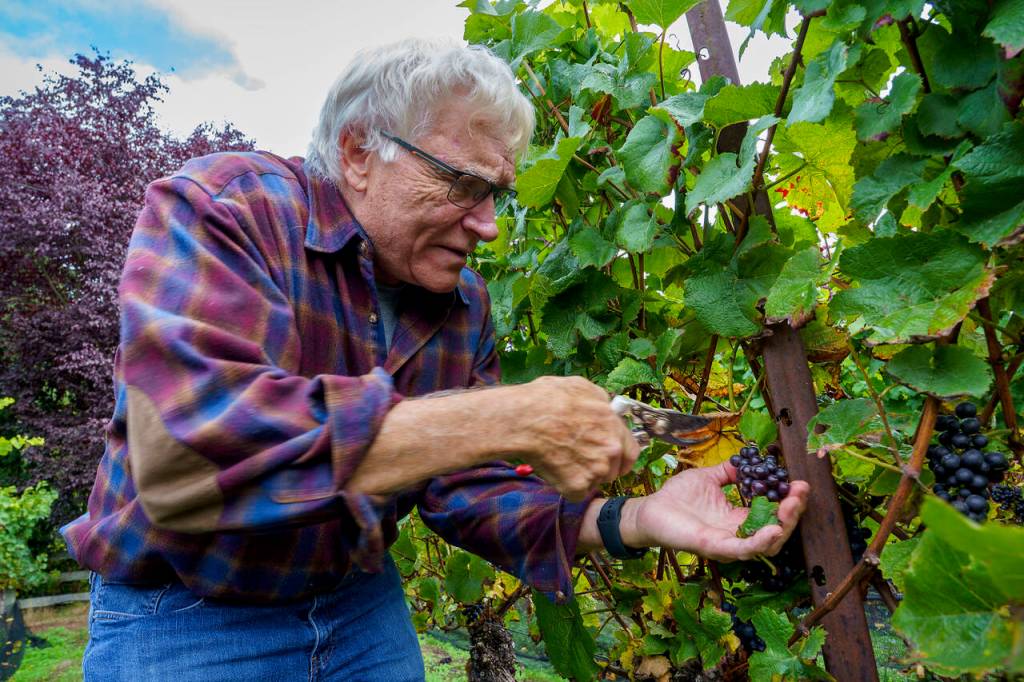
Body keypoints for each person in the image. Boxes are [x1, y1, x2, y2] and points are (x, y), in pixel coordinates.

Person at [62, 38, 808, 681]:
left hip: (360, 607)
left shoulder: (462, 302)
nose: (486, 225)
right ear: (359, 151)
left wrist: (636, 517)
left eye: (498, 196)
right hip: (187, 615)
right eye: (462, 185)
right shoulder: (232, 210)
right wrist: (501, 415)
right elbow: (185, 462)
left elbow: (465, 488)